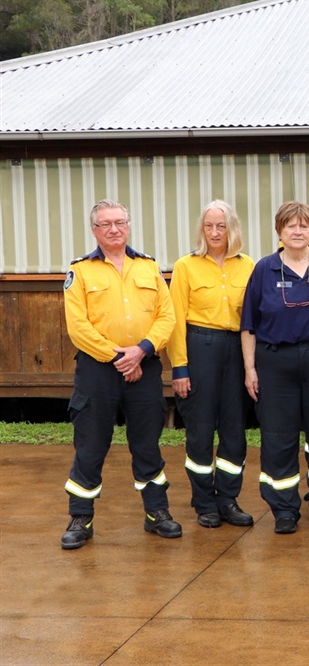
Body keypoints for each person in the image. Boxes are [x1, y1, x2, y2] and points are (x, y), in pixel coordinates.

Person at [60, 200, 179, 550]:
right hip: (99, 371)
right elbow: (78, 327)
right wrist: (120, 358)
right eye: (105, 224)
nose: (114, 229)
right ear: (94, 231)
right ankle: (81, 517)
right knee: (91, 444)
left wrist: (141, 350)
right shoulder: (80, 272)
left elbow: (167, 317)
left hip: (145, 364)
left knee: (147, 443)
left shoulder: (149, 268)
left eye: (119, 222)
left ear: (128, 226)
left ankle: (157, 512)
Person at [241, 201, 309, 534]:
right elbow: (248, 325)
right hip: (276, 363)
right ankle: (284, 508)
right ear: (279, 231)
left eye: (303, 225)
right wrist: (250, 370)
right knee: (278, 437)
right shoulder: (264, 269)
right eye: (290, 226)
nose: (297, 231)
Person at [169, 200, 255, 529]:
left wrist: (253, 367)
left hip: (236, 350)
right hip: (199, 347)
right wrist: (180, 368)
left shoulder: (248, 266)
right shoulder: (186, 266)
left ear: (232, 228)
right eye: (209, 226)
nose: (215, 232)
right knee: (200, 432)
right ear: (201, 229)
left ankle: (227, 500)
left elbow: (253, 318)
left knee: (234, 431)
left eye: (221, 226)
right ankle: (203, 502)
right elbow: (175, 321)